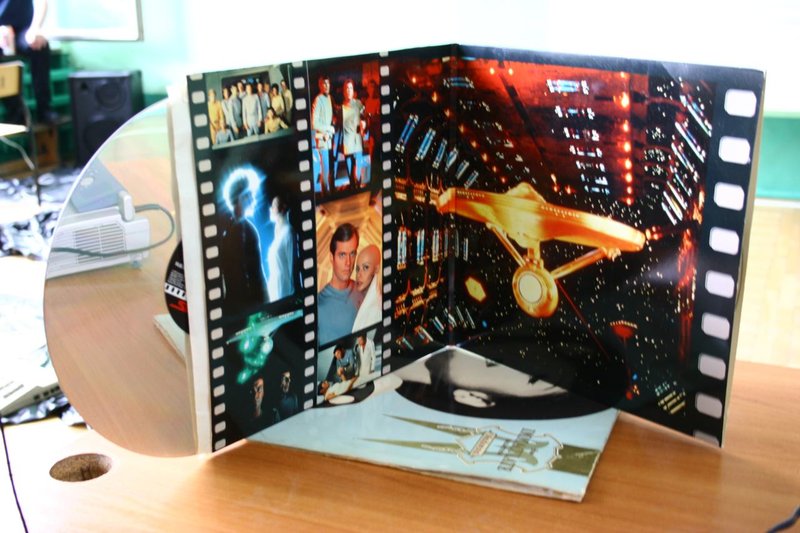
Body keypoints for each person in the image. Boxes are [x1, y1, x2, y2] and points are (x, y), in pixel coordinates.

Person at [0, 0, 57, 123]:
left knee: (40, 47)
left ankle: (44, 109)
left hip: (24, 29)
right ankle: (17, 114)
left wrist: (35, 28)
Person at [219, 171, 268, 314]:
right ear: (237, 198)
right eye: (247, 195)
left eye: (251, 194)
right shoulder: (226, 231)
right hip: (237, 306)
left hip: (250, 305)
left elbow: (258, 273)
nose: (252, 199)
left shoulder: (249, 231)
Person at [317, 223, 362, 345]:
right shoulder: (319, 305)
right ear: (331, 258)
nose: (348, 262)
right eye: (342, 255)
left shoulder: (363, 291)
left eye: (352, 254)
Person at [266, 195, 295, 302]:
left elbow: (292, 267)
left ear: (282, 209)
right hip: (275, 292)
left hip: (284, 292)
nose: (271, 209)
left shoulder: (288, 232)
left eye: (274, 205)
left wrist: (292, 297)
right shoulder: (278, 233)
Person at [339, 79, 366, 189]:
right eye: (347, 88)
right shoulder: (341, 107)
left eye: (350, 88)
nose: (349, 90)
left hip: (357, 140)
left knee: (358, 166)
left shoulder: (358, 103)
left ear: (353, 90)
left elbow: (364, 116)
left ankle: (358, 184)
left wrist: (364, 123)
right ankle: (352, 185)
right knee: (349, 167)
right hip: (347, 141)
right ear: (344, 91)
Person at [311, 75, 335, 195]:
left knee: (330, 168)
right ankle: (325, 194)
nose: (326, 86)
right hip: (322, 140)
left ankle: (330, 192)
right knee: (325, 169)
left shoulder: (330, 98)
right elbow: (314, 123)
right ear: (320, 86)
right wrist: (328, 128)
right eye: (323, 84)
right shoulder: (318, 100)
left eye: (328, 83)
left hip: (329, 139)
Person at [352, 243, 381, 332]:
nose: (359, 275)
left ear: (376, 269)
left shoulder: (376, 309)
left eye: (365, 267)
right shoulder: (364, 300)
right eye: (357, 269)